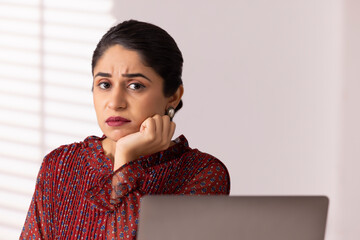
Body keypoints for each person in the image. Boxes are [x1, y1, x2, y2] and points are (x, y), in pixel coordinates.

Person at [20, 20, 230, 239]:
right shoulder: (60, 165)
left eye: (135, 86)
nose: (115, 102)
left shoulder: (202, 173)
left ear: (174, 96)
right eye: (104, 84)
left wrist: (125, 160)